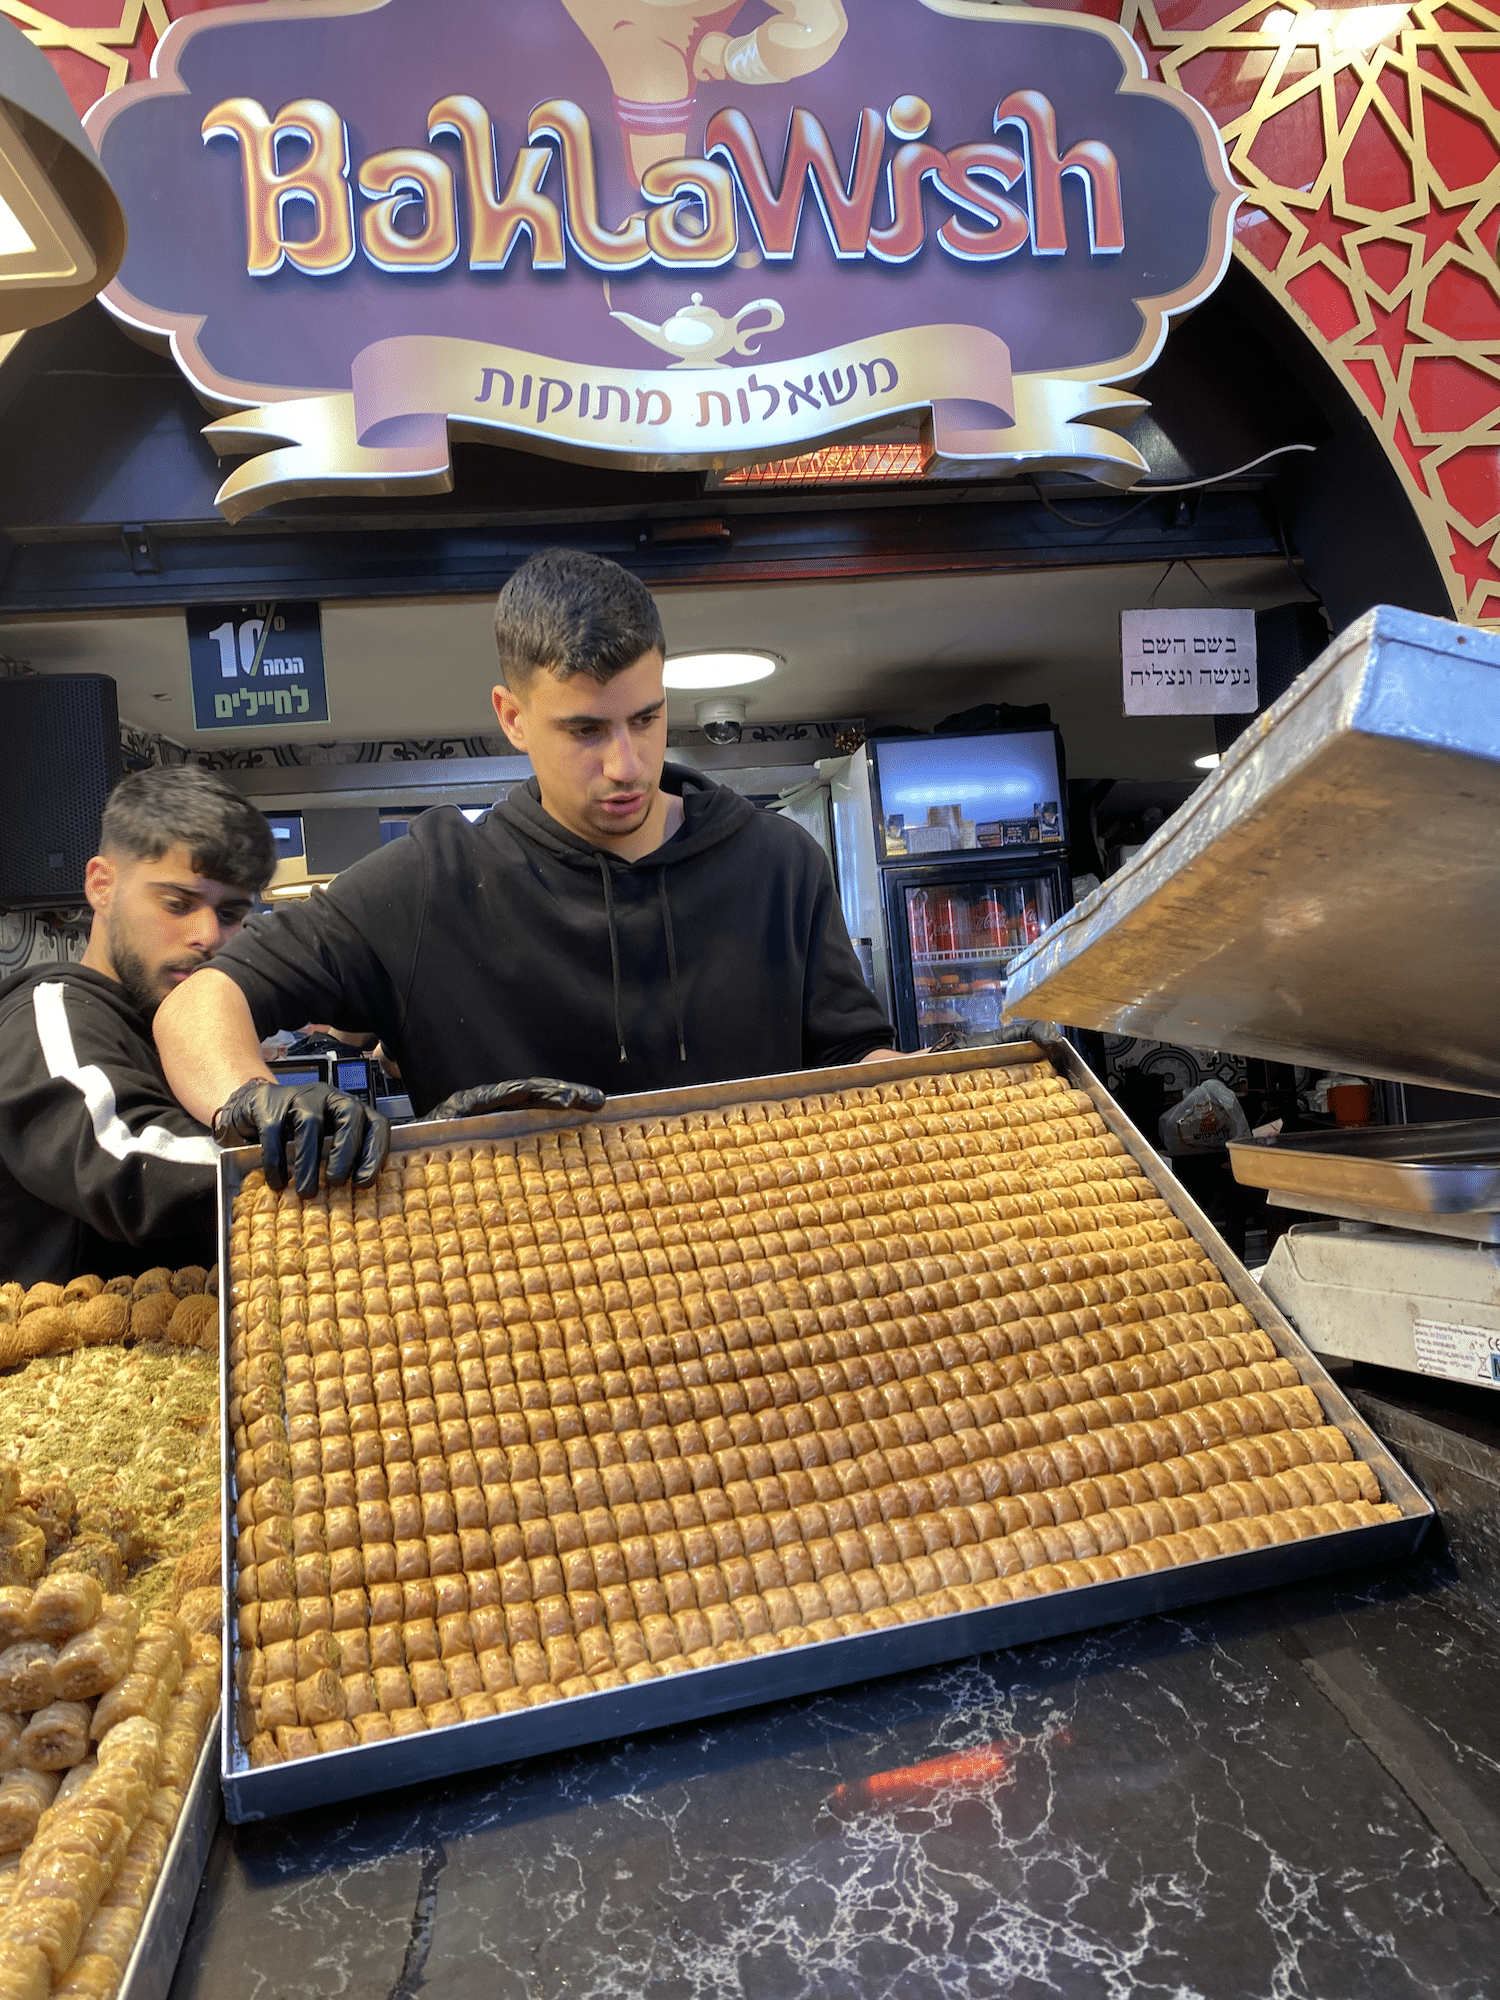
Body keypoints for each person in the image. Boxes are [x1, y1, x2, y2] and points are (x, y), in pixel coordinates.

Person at [156, 548, 896, 1194]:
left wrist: (964, 1082)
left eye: (645, 718)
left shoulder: (779, 863)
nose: (626, 765)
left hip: (769, 1289)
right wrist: (250, 1099)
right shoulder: (431, 881)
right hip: (522, 1314)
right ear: (512, 717)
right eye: (585, 730)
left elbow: (856, 1061)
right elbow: (199, 1004)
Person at [0, 764, 277, 1287]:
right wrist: (304, 1154)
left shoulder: (176, 1024)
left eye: (231, 913)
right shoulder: (48, 1013)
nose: (207, 936)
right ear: (102, 886)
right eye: (178, 903)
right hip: (85, 1360)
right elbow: (124, 1159)